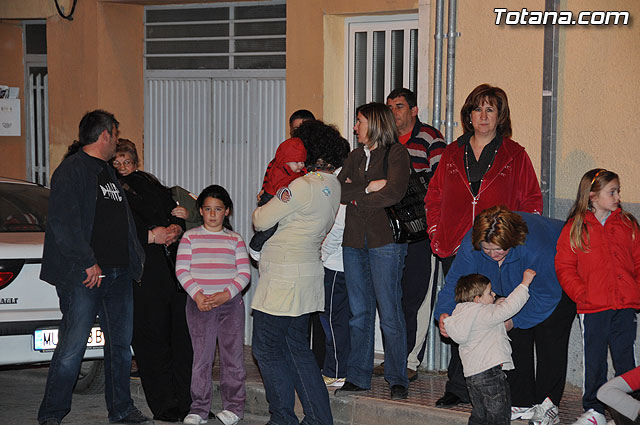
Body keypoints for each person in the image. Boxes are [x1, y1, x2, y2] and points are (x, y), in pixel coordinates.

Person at [426, 84, 543, 408]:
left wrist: (513, 241)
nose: (483, 116)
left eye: (490, 109)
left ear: (500, 115)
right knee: (461, 314)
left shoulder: (514, 154)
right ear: (469, 115)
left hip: (498, 250)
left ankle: (499, 386)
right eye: (477, 109)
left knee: (498, 313)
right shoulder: (452, 153)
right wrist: (437, 234)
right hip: (457, 247)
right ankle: (458, 386)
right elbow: (433, 197)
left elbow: (532, 202)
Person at [37, 110, 149, 425]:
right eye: (115, 135)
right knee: (73, 348)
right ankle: (52, 414)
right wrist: (87, 261)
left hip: (118, 275)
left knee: (120, 349)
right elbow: (63, 223)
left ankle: (121, 409)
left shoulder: (108, 172)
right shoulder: (72, 171)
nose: (117, 141)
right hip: (85, 276)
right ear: (104, 136)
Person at [434, 206, 575, 418]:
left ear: (512, 242)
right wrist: (444, 313)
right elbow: (455, 281)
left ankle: (548, 404)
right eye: (486, 249)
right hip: (518, 282)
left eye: (499, 250)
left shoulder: (535, 246)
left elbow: (547, 295)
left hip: (558, 279)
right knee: (511, 335)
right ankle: (521, 401)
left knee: (550, 337)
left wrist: (514, 319)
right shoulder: (472, 244)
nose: (492, 255)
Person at [251, 119, 348, 425]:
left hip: (283, 279)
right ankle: (319, 418)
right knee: (297, 349)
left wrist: (263, 203)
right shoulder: (333, 185)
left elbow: (261, 220)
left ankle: (282, 418)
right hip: (308, 277)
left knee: (265, 347)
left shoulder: (302, 186)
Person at [112, 139, 193, 422]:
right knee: (151, 339)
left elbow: (176, 211)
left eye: (127, 162)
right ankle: (164, 404)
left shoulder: (149, 182)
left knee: (180, 336)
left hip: (172, 269)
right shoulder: (110, 190)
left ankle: (186, 399)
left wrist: (176, 228)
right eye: (117, 163)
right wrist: (151, 235)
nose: (123, 168)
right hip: (143, 272)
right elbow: (114, 230)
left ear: (136, 162)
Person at [334, 102, 411, 400]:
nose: (355, 127)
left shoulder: (397, 153)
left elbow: (394, 191)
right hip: (353, 242)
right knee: (359, 312)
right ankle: (358, 375)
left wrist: (358, 195)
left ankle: (397, 377)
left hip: (385, 243)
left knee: (389, 311)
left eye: (359, 121)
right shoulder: (354, 156)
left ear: (376, 123)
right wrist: (368, 188)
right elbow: (338, 192)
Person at [555, 168, 640, 425]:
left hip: (625, 305)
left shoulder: (627, 224)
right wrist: (583, 294)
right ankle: (594, 410)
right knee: (595, 360)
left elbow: (637, 262)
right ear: (592, 196)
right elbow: (564, 267)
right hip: (593, 308)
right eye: (611, 192)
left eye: (617, 191)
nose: (617, 196)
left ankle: (629, 410)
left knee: (626, 357)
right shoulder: (576, 227)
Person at [372, 88, 445, 381]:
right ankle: (393, 357)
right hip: (390, 230)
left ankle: (410, 360)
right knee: (391, 295)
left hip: (421, 232)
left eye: (399, 106)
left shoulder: (429, 138)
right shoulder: (385, 141)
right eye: (390, 107)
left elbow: (441, 183)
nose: (394, 112)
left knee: (417, 297)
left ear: (414, 110)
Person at [176, 185, 250, 425]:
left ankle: (234, 407)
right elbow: (181, 270)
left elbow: (244, 273)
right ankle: (198, 408)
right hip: (200, 305)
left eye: (218, 209)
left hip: (230, 306)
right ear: (200, 210)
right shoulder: (190, 237)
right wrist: (198, 295)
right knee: (201, 358)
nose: (212, 214)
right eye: (207, 209)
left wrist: (225, 294)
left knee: (233, 358)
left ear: (226, 211)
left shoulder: (235, 240)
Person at [444, 271, 535, 425]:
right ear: (477, 299)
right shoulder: (483, 313)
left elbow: (487, 320)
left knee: (480, 414)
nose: (494, 294)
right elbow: (510, 307)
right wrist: (524, 284)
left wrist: (495, 304)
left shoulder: (461, 313)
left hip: (472, 376)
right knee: (499, 416)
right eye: (489, 292)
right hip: (490, 374)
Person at [248, 137, 307, 259]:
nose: (300, 165)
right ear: (286, 161)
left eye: (302, 162)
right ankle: (255, 245)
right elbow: (278, 184)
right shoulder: (279, 170)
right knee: (270, 227)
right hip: (270, 196)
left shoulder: (298, 170)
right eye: (297, 162)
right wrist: (282, 192)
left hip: (279, 196)